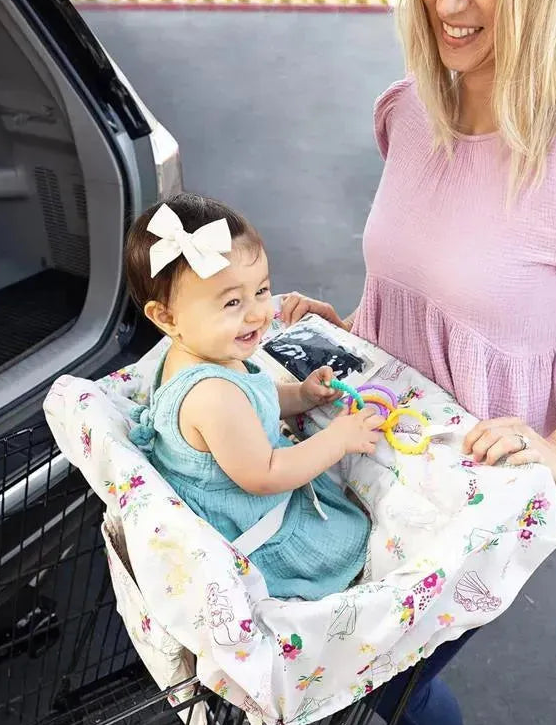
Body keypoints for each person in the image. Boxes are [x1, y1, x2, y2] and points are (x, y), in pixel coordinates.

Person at [280, 0, 556, 725]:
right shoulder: (407, 113)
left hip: (472, 498)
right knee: (359, 664)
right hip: (370, 456)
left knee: (393, 679)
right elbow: (425, 282)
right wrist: (347, 334)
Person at [123, 193, 382, 601]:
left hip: (246, 492)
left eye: (261, 290)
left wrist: (301, 395)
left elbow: (253, 403)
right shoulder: (211, 394)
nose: (258, 313)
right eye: (232, 302)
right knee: (357, 538)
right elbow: (266, 474)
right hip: (261, 530)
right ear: (167, 317)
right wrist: (338, 439)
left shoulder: (202, 354)